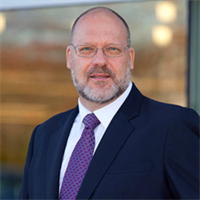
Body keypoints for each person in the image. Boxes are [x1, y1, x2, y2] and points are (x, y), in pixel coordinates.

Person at [19, 7, 200, 200]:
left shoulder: (172, 128)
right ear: (69, 58)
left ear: (130, 58)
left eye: (112, 49)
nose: (100, 61)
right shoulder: (44, 135)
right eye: (86, 49)